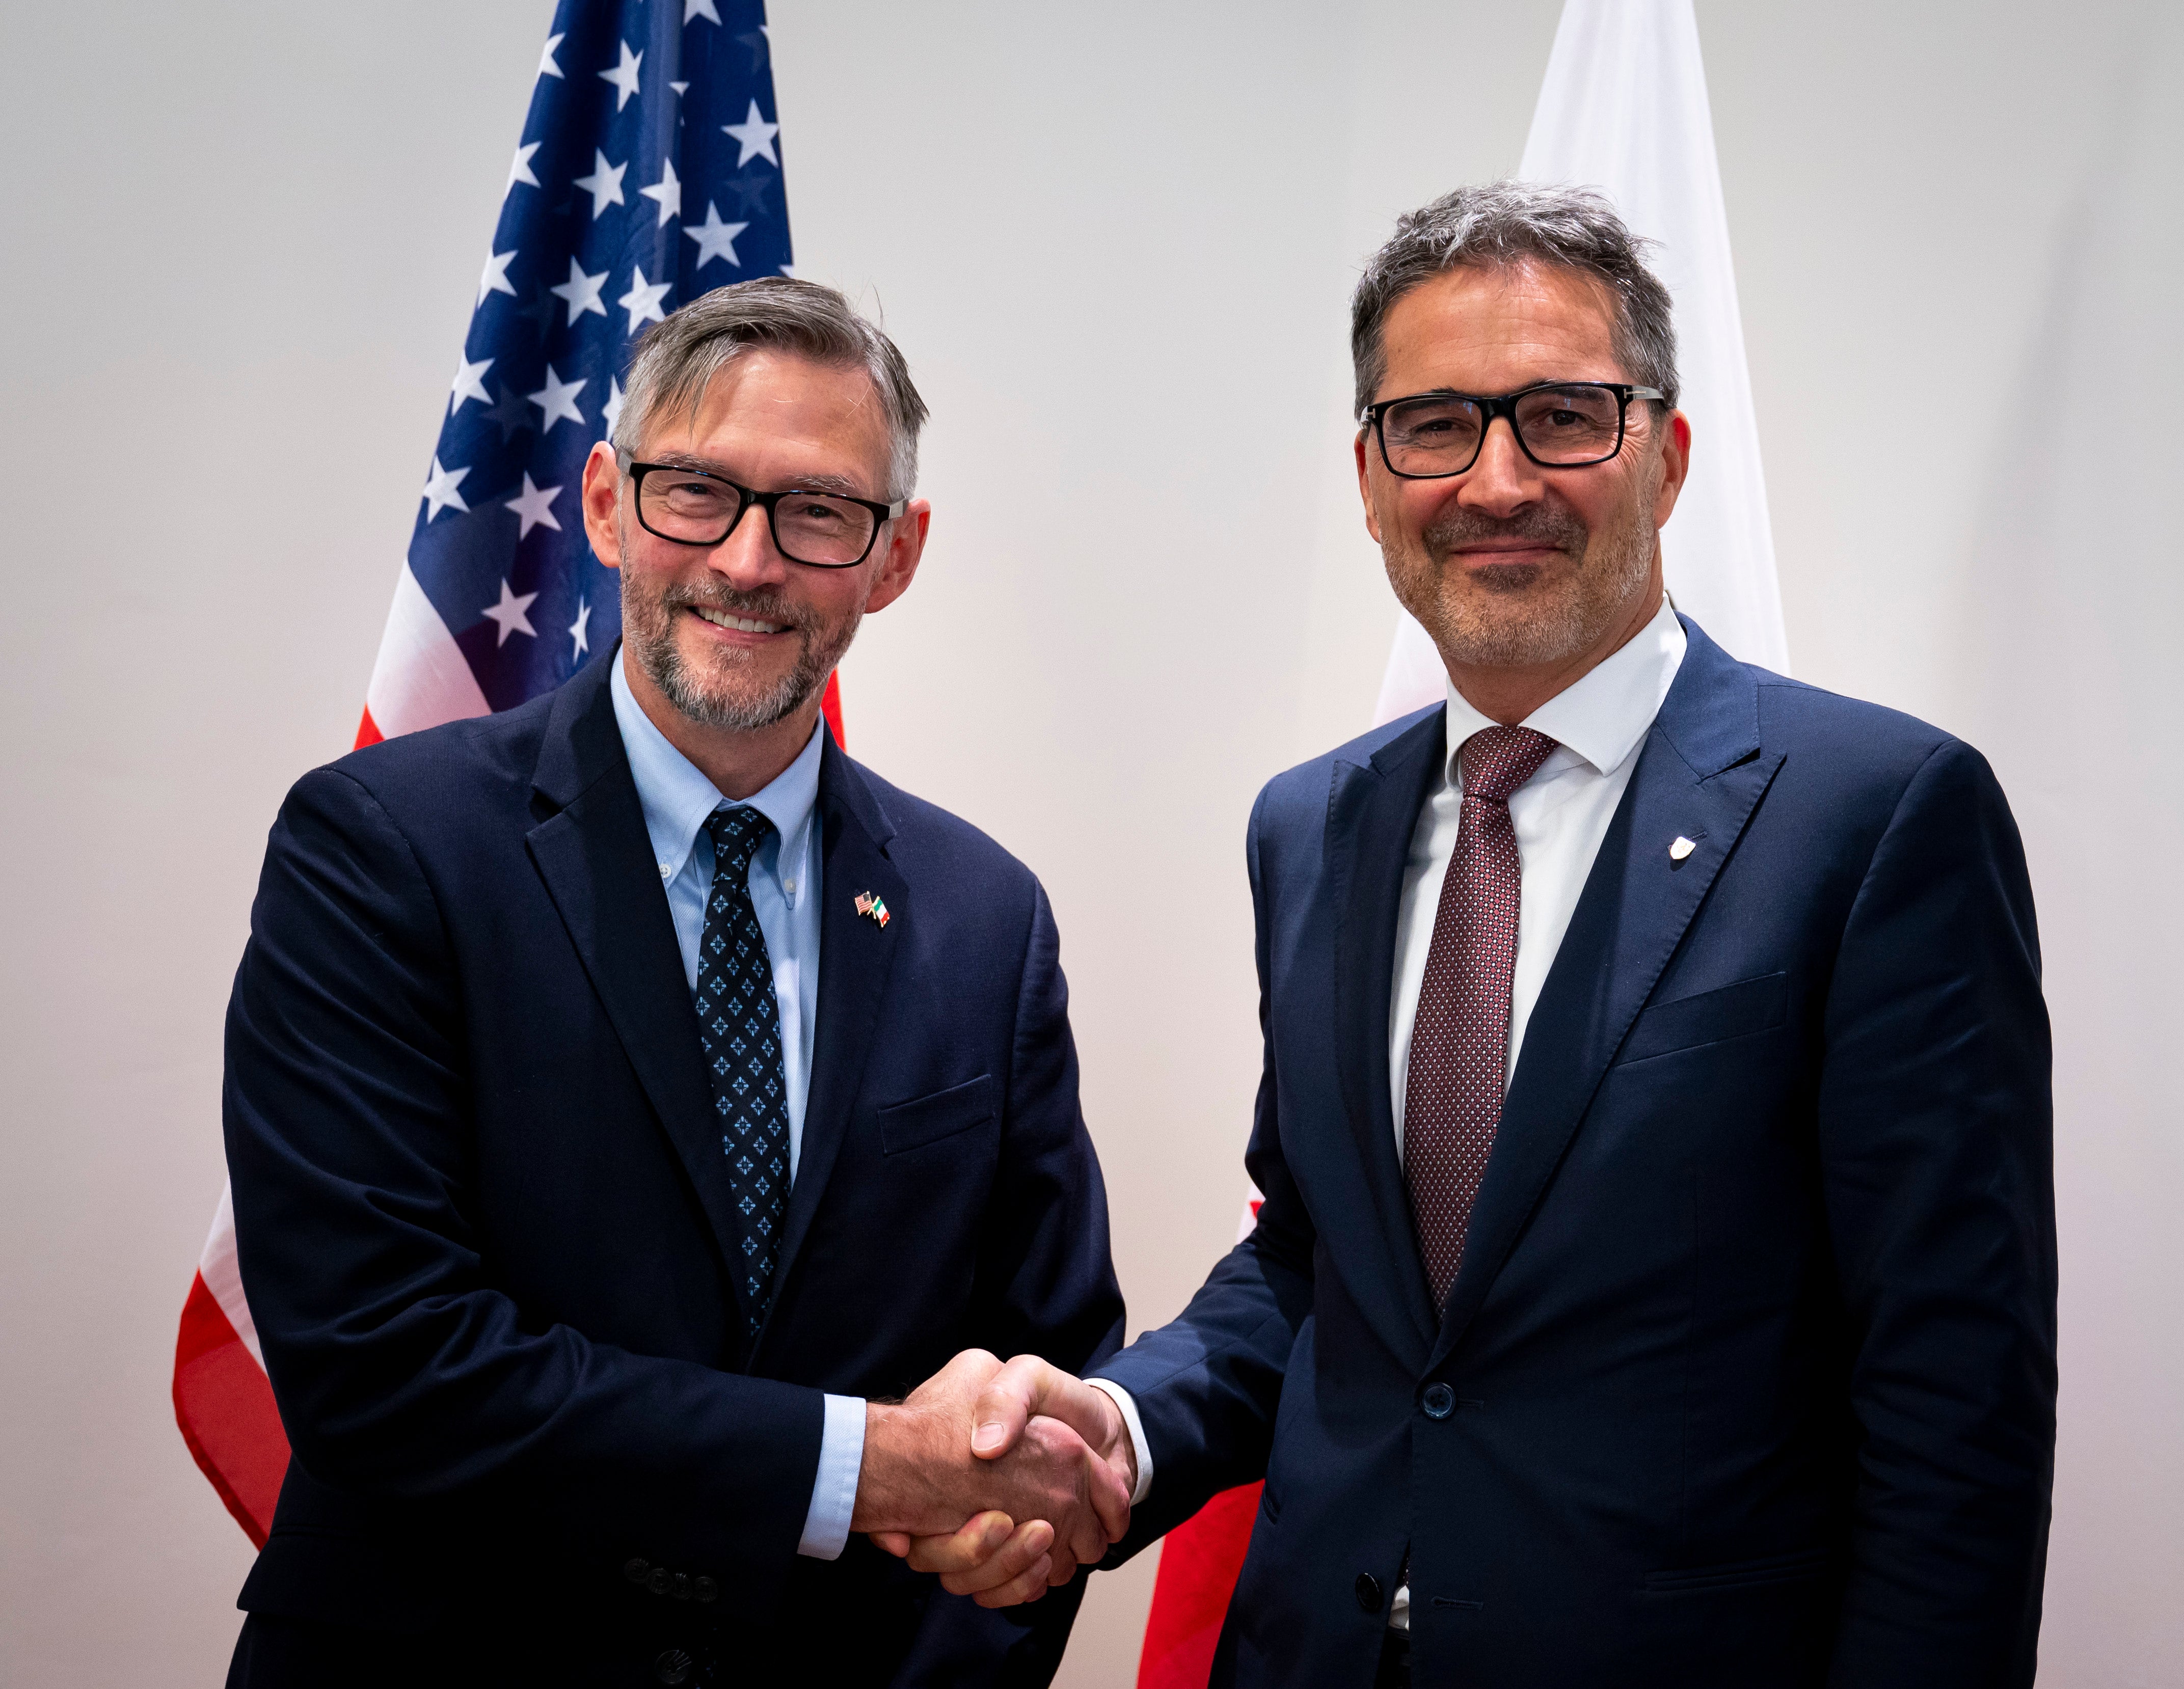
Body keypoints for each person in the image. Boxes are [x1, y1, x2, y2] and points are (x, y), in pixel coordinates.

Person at [909, 183, 2058, 1687]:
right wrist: (1117, 1428)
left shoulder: (1880, 816)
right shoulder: (1307, 826)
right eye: (1437, 423)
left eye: (1564, 415)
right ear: (1375, 474)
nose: (1498, 477)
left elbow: (1952, 1394)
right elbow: (1317, 1262)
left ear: (1669, 453)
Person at [222, 278, 1128, 1688]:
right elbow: (381, 1359)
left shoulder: (985, 914)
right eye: (696, 492)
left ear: (895, 556)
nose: (751, 561)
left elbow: (1044, 1372)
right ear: (603, 504)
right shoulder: (383, 849)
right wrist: (864, 1467)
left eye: (821, 510)